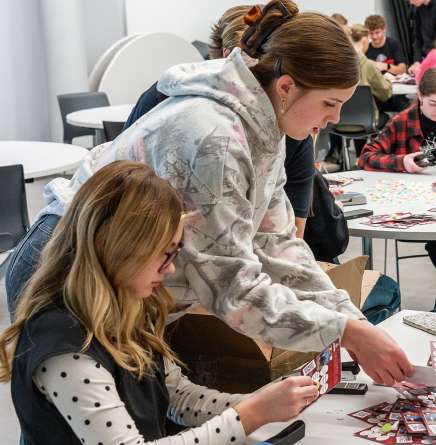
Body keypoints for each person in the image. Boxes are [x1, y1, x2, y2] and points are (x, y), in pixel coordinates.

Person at [5, 0, 413, 386]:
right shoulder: (214, 137)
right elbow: (231, 288)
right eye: (330, 103)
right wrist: (345, 333)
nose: (335, 119)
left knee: (114, 435)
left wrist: (350, 322)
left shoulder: (266, 125)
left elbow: (277, 244)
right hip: (67, 264)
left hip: (114, 274)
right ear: (286, 86)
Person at [1, 162, 322, 445]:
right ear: (119, 250)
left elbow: (178, 396)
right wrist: (252, 413)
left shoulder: (130, 310)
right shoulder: (63, 346)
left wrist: (263, 402)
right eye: (164, 254)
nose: (170, 270)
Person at [123, 5, 315, 240]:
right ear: (228, 57)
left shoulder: (289, 128)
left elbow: (286, 235)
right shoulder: (194, 117)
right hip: (140, 235)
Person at [358, 68, 436, 287]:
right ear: (420, 97)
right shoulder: (402, 120)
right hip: (415, 201)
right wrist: (402, 162)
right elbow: (366, 156)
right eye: (433, 103)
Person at [349, 24, 393, 109]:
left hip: (341, 118)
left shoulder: (338, 62)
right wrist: (387, 80)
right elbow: (385, 94)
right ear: (365, 40)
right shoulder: (368, 65)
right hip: (365, 117)